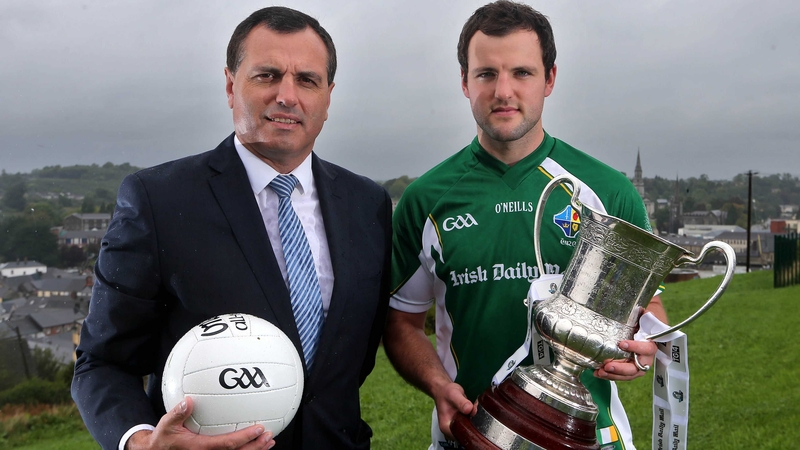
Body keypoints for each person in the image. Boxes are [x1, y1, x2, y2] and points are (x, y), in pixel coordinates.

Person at [71, 7, 392, 450]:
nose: (287, 95)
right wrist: (143, 442)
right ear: (229, 84)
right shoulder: (159, 200)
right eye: (267, 76)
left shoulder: (367, 204)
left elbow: (350, 358)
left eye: (307, 80)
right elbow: (102, 363)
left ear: (328, 96)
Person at [384, 2, 667, 449]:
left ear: (549, 79)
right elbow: (402, 321)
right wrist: (437, 384)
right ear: (464, 82)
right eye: (485, 74)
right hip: (472, 434)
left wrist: (643, 351)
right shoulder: (426, 199)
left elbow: (646, 310)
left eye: (522, 72)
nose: (503, 91)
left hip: (588, 437)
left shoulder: (608, 194)